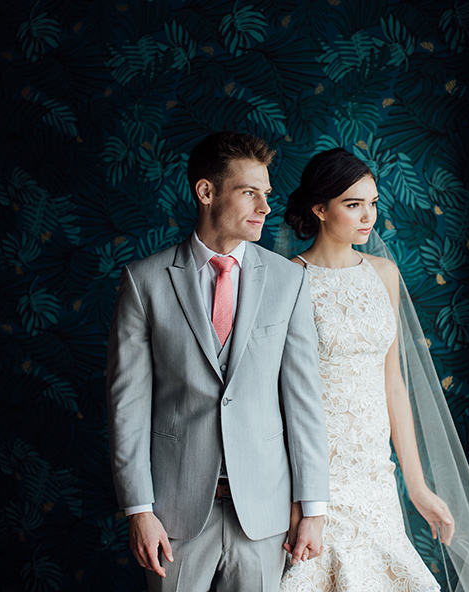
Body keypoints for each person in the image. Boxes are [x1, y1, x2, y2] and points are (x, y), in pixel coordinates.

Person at [106, 131, 330, 592]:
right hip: (174, 515)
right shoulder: (144, 281)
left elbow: (305, 404)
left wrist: (313, 509)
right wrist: (139, 510)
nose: (265, 208)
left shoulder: (288, 282)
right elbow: (127, 406)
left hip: (264, 515)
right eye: (250, 193)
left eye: (266, 195)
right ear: (206, 192)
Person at [280, 147, 469, 591]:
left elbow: (394, 385)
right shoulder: (288, 279)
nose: (368, 216)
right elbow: (279, 395)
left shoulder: (384, 273)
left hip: (374, 475)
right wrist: (298, 501)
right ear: (319, 209)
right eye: (353, 204)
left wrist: (417, 485)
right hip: (317, 477)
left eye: (372, 203)